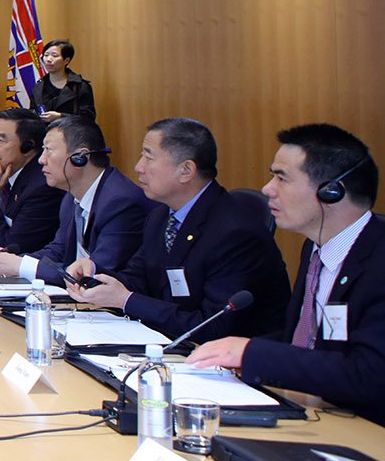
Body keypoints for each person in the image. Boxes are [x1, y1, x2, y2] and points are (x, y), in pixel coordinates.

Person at [188, 124, 385, 423]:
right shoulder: (316, 248)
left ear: (331, 192)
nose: (267, 189)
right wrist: (231, 353)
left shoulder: (377, 262)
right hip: (316, 409)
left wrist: (252, 353)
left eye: (281, 178)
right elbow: (302, 341)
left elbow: (370, 375)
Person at [67, 117, 288, 338]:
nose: (138, 167)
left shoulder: (235, 233)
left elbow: (212, 327)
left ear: (186, 170)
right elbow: (138, 279)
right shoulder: (160, 215)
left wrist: (126, 300)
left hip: (227, 353)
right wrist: (93, 274)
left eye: (148, 157)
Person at [0, 117, 144, 286]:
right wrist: (6, 262)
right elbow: (57, 251)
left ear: (80, 157)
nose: (41, 159)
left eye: (48, 150)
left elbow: (97, 275)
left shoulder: (120, 203)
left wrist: (20, 266)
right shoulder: (71, 197)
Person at [0, 108, 65, 254]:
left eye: (1, 140)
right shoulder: (3, 172)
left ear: (28, 147)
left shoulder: (42, 187)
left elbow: (10, 247)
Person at [36, 39, 96, 123]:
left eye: (54, 55)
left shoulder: (80, 86)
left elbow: (88, 118)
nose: (48, 59)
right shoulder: (39, 85)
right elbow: (33, 112)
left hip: (71, 130)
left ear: (66, 60)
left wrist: (60, 116)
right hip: (44, 130)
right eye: (46, 55)